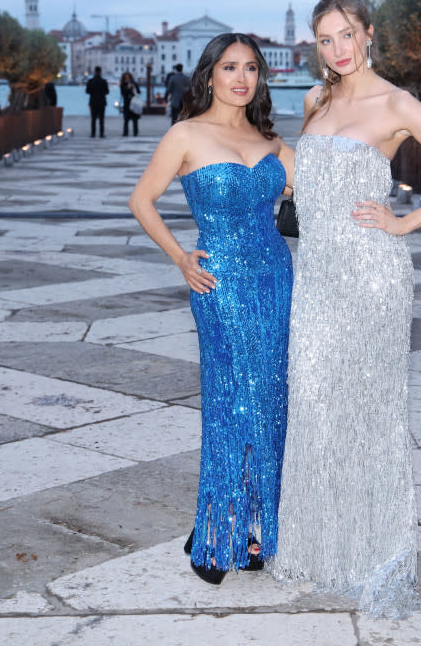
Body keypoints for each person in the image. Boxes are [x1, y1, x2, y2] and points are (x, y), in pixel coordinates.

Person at [271, 0, 421, 618]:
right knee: (314, 402)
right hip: (315, 278)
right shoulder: (315, 99)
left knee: (368, 412)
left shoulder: (398, 104)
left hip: (371, 278)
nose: (337, 49)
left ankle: (370, 551)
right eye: (324, 39)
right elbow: (302, 182)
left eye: (346, 34)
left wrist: (404, 223)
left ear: (368, 33)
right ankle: (319, 544)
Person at [128, 33, 294, 584]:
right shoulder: (186, 134)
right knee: (232, 400)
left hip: (275, 279)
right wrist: (179, 257)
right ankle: (215, 533)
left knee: (269, 400)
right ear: (209, 75)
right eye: (229, 67)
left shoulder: (269, 139)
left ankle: (252, 527)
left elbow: (324, 184)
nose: (241, 78)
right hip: (217, 283)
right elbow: (141, 200)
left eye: (250, 68)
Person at [86, 66, 109, 138]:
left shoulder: (90, 81)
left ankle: (93, 133)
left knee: (93, 119)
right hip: (102, 102)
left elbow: (87, 91)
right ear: (100, 72)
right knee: (102, 119)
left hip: (93, 102)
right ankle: (101, 133)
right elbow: (107, 92)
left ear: (95, 71)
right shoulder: (104, 81)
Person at [120, 71, 141, 136]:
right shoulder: (123, 84)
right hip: (127, 103)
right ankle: (125, 132)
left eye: (128, 77)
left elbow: (138, 92)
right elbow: (123, 93)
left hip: (134, 103)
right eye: (126, 77)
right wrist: (128, 88)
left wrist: (134, 87)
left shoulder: (134, 83)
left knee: (135, 119)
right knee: (126, 119)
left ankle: (135, 132)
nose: (127, 78)